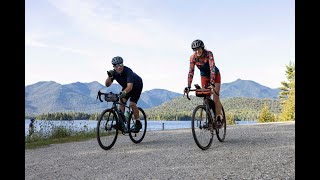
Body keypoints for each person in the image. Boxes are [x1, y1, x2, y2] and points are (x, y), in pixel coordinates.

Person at [184, 39, 223, 127]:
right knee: (206, 98)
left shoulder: (209, 53)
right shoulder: (193, 57)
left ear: (202, 48)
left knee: (216, 98)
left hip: (215, 75)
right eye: (195, 49)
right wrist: (188, 86)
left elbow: (212, 68)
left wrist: (212, 83)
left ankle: (218, 118)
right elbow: (191, 72)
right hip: (204, 76)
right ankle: (209, 120)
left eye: (199, 49)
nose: (197, 51)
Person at [105, 56, 143, 132]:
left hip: (136, 86)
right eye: (116, 66)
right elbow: (107, 84)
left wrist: (124, 92)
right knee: (121, 101)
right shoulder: (114, 73)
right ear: (114, 67)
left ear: (123, 64)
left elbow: (130, 86)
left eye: (120, 65)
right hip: (126, 86)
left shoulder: (128, 71)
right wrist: (109, 77)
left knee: (132, 104)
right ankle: (121, 123)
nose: (119, 67)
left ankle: (138, 123)